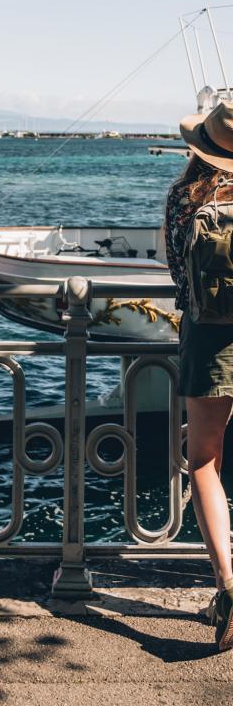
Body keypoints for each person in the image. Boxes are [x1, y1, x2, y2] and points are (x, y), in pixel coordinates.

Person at [166, 100, 233, 651]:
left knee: (204, 462)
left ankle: (227, 585)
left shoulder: (185, 200)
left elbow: (178, 282)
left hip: (208, 341)